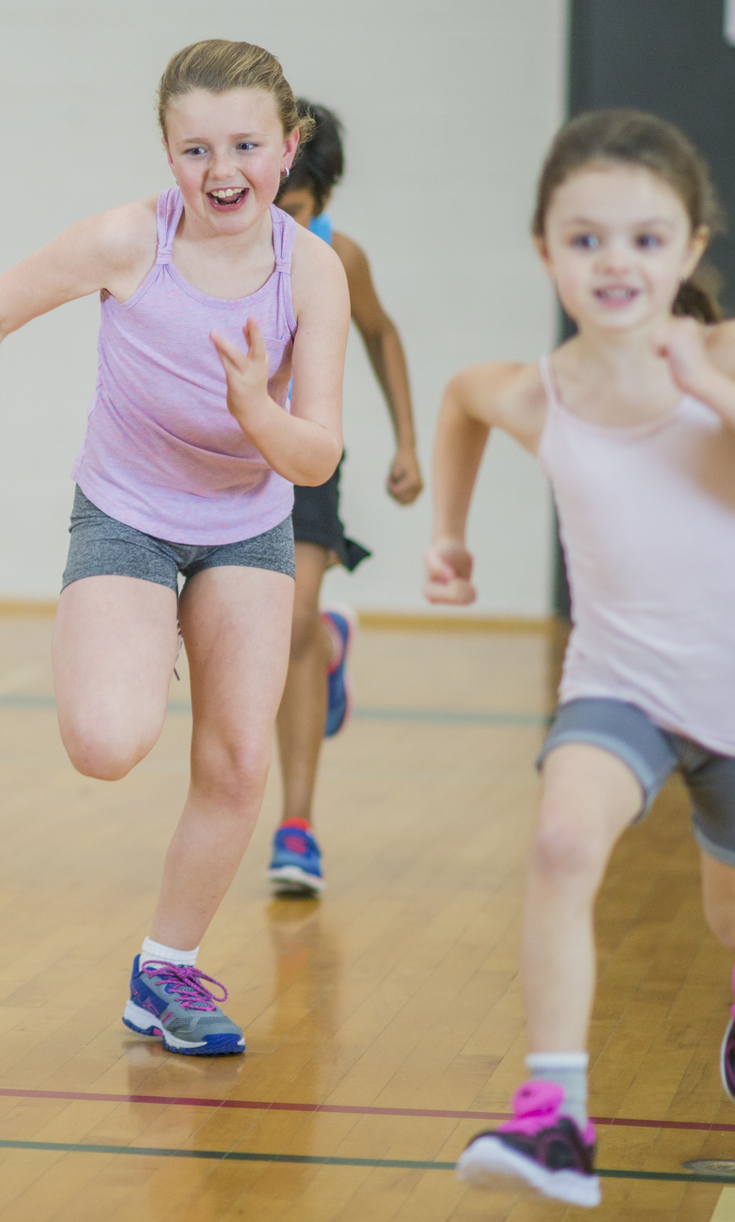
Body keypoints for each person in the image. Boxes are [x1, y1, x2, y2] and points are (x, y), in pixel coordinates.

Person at [428, 111, 735, 1206]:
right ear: (545, 251)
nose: (614, 261)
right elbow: (461, 400)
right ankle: (556, 1118)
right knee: (561, 841)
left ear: (691, 246)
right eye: (584, 240)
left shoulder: (734, 354)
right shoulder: (538, 390)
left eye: (642, 238)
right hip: (617, 683)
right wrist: (449, 531)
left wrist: (709, 386)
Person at [0, 40, 350, 1056]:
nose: (221, 169)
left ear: (288, 146)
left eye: (245, 145)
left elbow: (314, 455)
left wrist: (249, 409)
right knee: (104, 743)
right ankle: (146, 633)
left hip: (247, 524)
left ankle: (166, 972)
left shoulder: (311, 272)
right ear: (167, 152)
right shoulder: (125, 240)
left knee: (235, 757)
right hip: (128, 513)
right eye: (195, 148)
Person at [265, 100, 421, 895]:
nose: (274, 223)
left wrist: (407, 441)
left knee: (287, 623)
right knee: (262, 638)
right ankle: (328, 645)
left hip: (306, 461)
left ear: (323, 199)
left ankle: (296, 826)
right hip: (227, 465)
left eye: (291, 210)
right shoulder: (216, 243)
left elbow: (380, 333)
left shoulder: (336, 257)